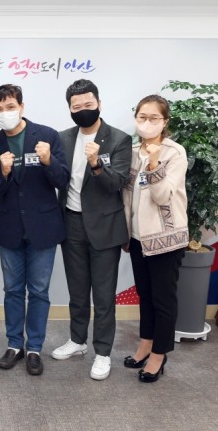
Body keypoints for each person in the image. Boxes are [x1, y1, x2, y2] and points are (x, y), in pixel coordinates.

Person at [52, 79, 131, 381]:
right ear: (70, 109)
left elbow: (117, 183)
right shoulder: (62, 138)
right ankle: (77, 340)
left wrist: (97, 164)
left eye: (88, 104)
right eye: (77, 106)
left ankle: (103, 352)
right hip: (71, 222)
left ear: (99, 103)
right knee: (77, 289)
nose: (83, 110)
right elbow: (58, 178)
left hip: (105, 226)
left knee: (104, 295)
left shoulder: (119, 139)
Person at [0, 84, 70, 376]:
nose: (5, 113)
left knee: (38, 291)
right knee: (12, 291)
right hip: (10, 227)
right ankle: (14, 345)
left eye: (10, 106)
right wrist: (4, 173)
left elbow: (62, 180)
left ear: (21, 106)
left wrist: (48, 161)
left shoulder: (47, 135)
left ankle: (34, 347)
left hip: (43, 228)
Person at [122, 95, 188, 383]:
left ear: (165, 121)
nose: (147, 123)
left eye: (154, 118)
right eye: (142, 117)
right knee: (145, 295)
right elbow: (126, 195)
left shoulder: (175, 153)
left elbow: (162, 196)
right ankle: (145, 344)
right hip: (138, 238)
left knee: (163, 299)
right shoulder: (131, 150)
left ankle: (159, 355)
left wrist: (153, 163)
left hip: (165, 239)